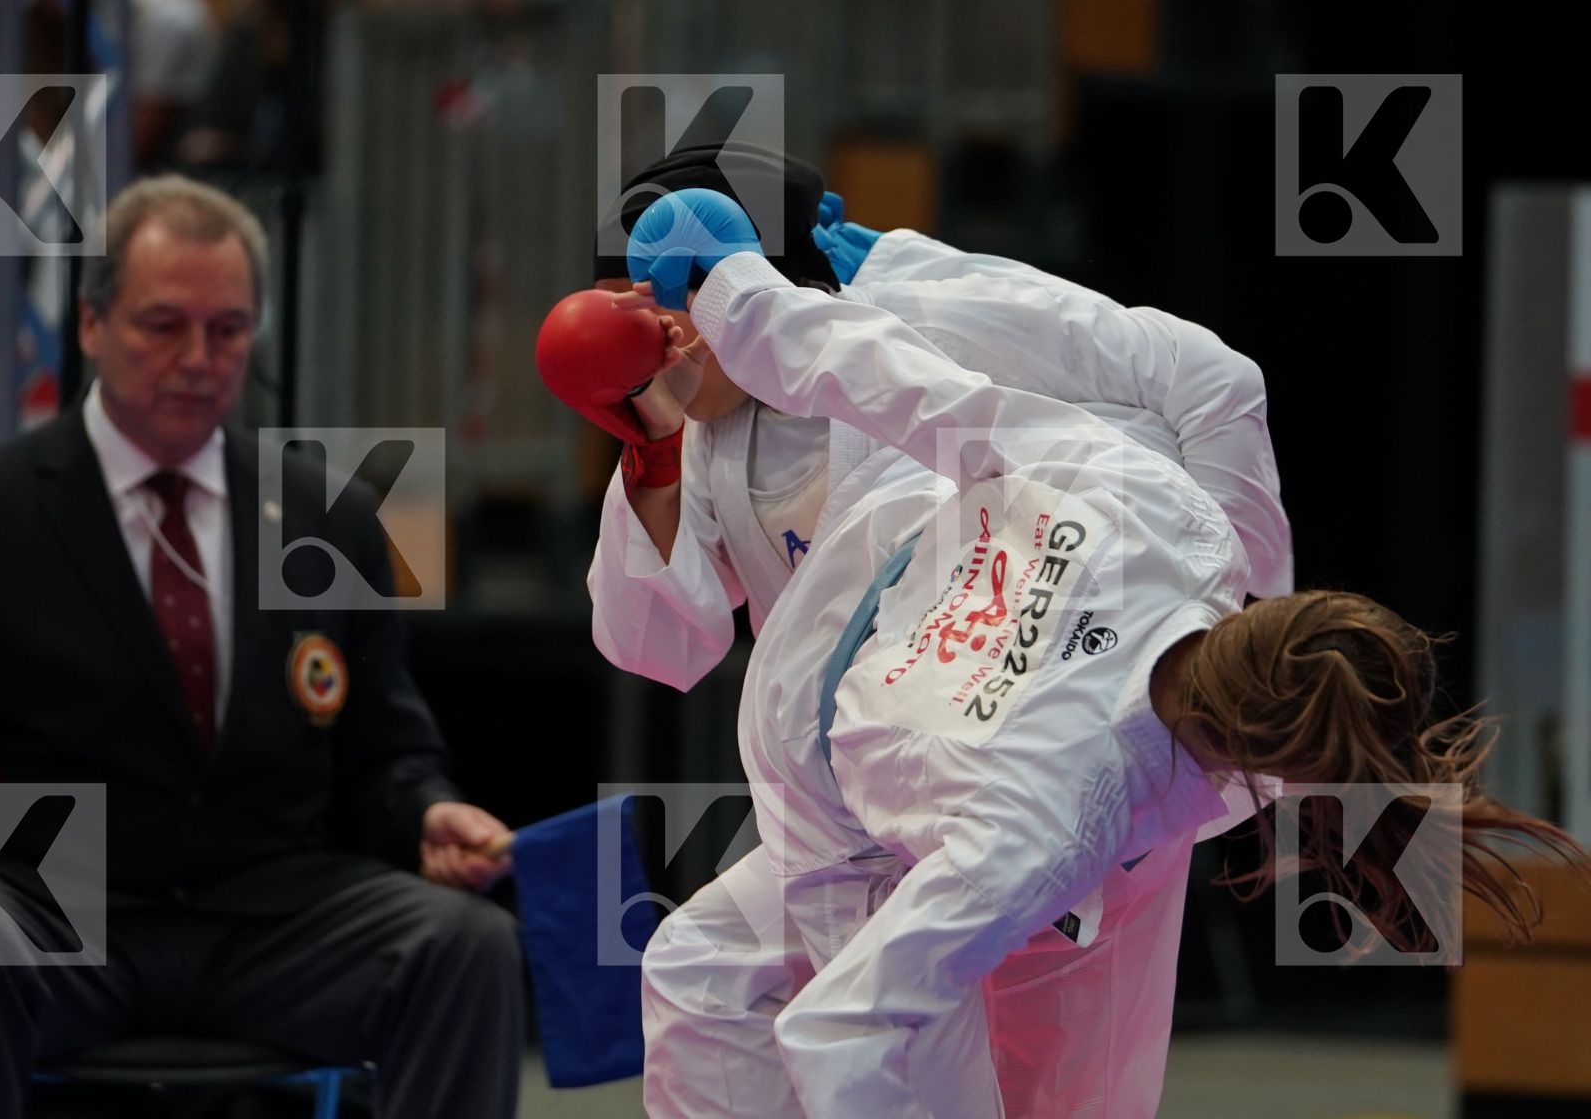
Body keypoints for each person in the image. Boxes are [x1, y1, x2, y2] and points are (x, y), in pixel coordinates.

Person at [606, 188, 1591, 1118]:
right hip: (826, 727)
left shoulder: (1177, 527)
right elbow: (845, 1028)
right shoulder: (1060, 805)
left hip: (866, 682)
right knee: (828, 1010)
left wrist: (744, 287)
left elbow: (928, 395)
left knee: (1026, 1072)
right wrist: (742, 296)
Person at [0, 174, 526, 1119]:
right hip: (58, 894)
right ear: (90, 327)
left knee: (467, 945)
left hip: (273, 905)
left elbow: (386, 755)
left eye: (228, 330)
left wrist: (429, 813)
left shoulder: (327, 514)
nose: (198, 357)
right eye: (163, 326)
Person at [580, 144, 1292, 696]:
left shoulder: (924, 315)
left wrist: (1239, 617)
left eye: (653, 305)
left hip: (1089, 671)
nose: (646, 345)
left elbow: (1208, 375)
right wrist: (651, 458)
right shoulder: (700, 439)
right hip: (896, 767)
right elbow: (659, 649)